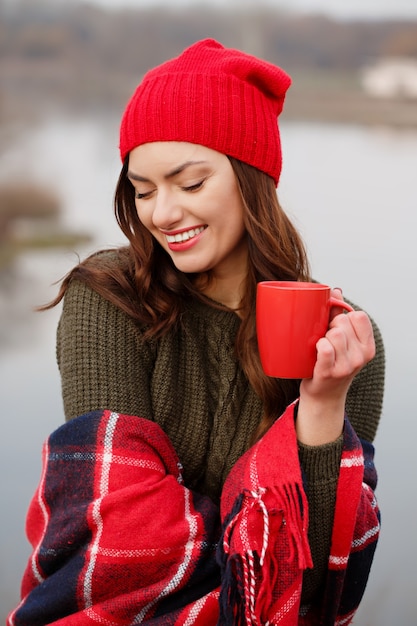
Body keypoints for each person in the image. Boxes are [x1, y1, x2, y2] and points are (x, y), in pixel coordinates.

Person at [8, 39, 384, 626]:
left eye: (189, 183)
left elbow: (322, 583)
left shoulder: (345, 341)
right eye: (144, 189)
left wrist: (322, 403)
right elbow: (119, 545)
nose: (161, 214)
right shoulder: (109, 300)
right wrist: (255, 548)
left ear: (250, 176)